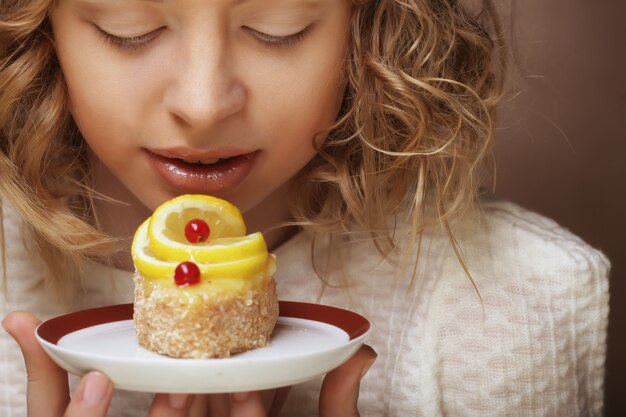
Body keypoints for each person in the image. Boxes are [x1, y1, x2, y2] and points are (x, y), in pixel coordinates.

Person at [0, 0, 609, 416]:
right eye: (127, 24)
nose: (204, 104)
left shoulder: (513, 303)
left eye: (278, 26)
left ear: (369, 24)